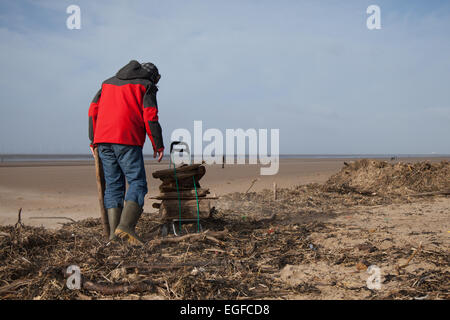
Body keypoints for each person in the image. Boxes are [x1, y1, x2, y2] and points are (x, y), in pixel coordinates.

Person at [88, 60, 164, 245]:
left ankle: (114, 236)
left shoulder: (107, 83)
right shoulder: (146, 85)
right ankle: (126, 228)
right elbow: (150, 115)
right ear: (153, 77)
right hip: (127, 139)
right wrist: (158, 144)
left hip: (103, 140)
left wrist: (93, 140)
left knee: (114, 186)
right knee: (137, 183)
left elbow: (92, 111)